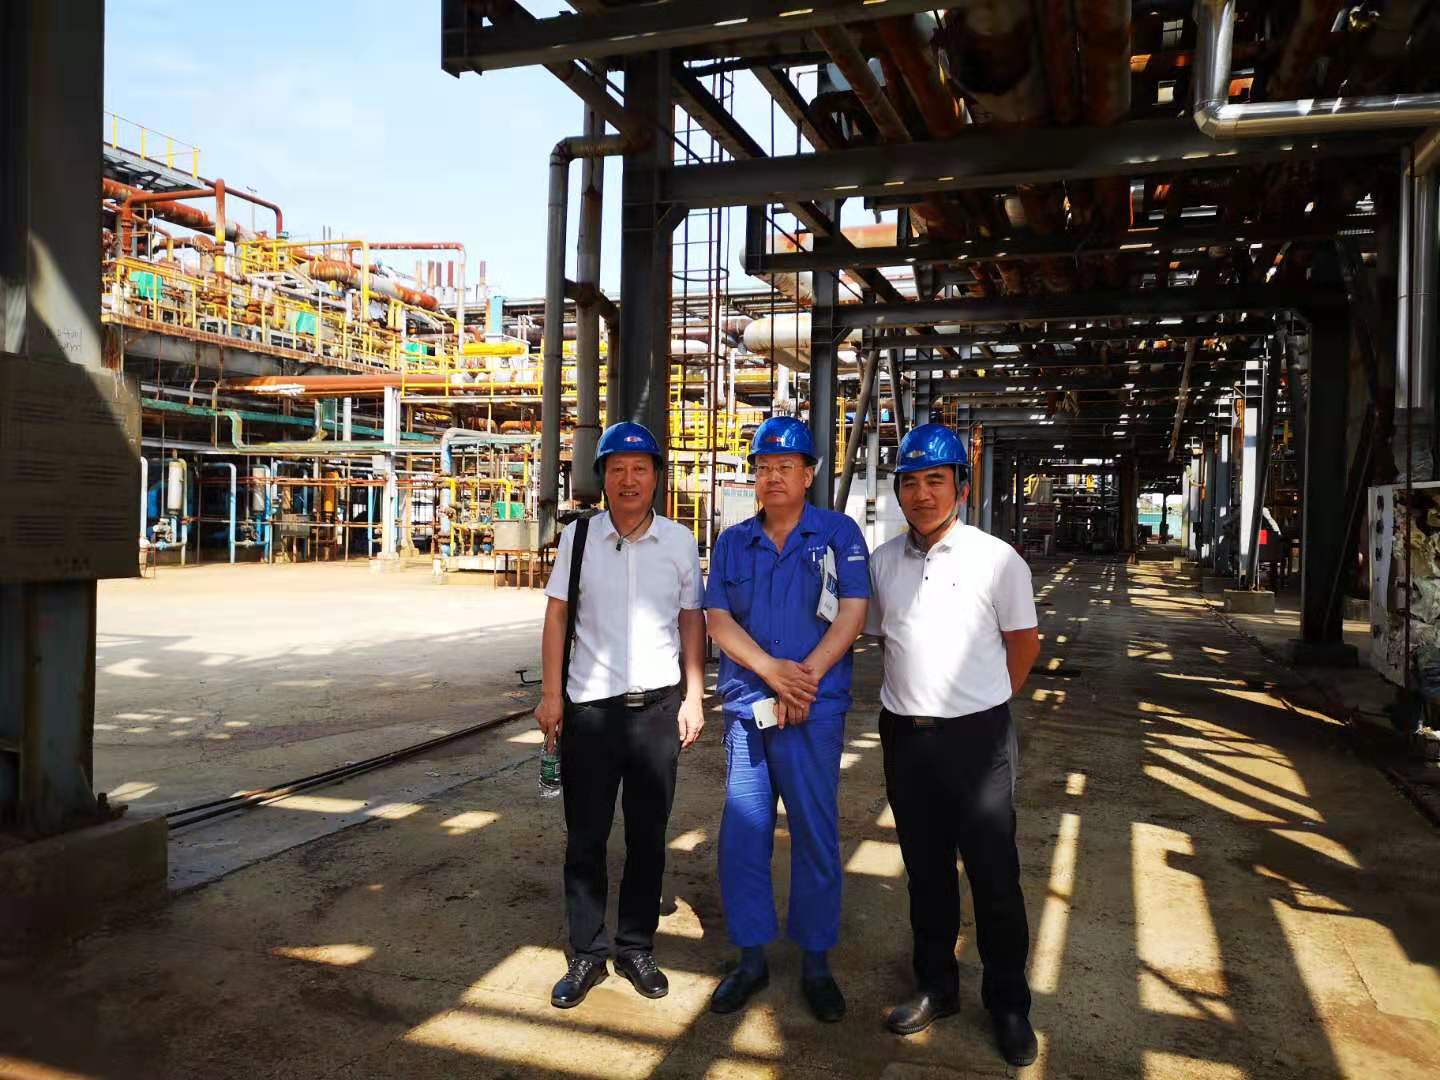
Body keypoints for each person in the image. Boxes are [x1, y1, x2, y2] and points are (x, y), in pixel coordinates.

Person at [864, 422, 1043, 1068]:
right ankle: (936, 986)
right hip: (906, 739)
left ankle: (1009, 1005)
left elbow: (1023, 646)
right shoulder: (882, 563)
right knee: (926, 873)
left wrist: (983, 702)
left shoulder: (998, 560)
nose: (922, 494)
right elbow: (882, 638)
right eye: (910, 483)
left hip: (977, 740)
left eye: (935, 481)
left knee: (994, 876)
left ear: (961, 488)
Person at [703, 416, 870, 1022]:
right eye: (763, 468)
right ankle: (751, 959)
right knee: (743, 834)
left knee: (815, 832)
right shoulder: (732, 542)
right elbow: (718, 621)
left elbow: (852, 612)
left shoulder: (838, 534)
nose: (773, 477)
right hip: (750, 708)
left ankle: (816, 963)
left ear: (808, 474)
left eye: (785, 467)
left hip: (813, 710)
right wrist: (774, 673)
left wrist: (806, 679)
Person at [535, 421, 706, 1009]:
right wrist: (552, 695)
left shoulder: (679, 542)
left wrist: (694, 695)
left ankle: (635, 947)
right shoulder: (579, 538)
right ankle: (586, 952)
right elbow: (557, 615)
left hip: (656, 712)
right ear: (602, 478)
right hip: (590, 711)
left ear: (657, 477)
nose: (628, 480)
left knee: (648, 836)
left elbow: (691, 621)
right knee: (585, 837)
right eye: (616, 469)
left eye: (639, 469)